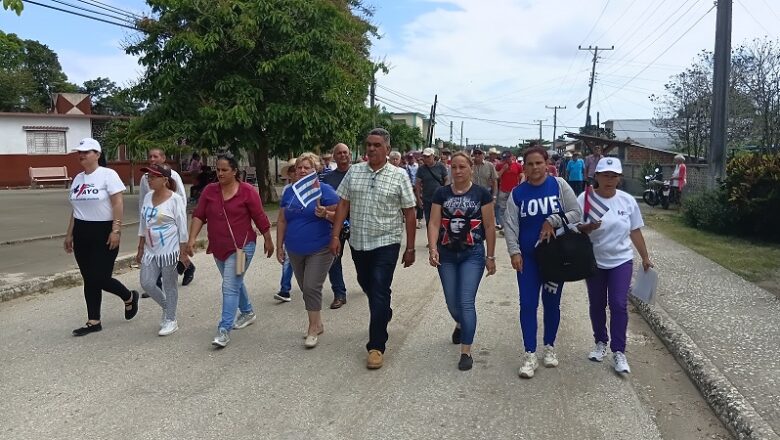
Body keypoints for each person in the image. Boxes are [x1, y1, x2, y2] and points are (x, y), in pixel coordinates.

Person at [329, 127, 417, 370]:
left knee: (379, 288)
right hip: (359, 242)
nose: (371, 148)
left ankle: (376, 346)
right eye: (369, 144)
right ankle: (383, 312)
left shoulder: (399, 176)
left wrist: (410, 248)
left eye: (377, 145)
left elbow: (410, 213)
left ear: (387, 149)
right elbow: (343, 204)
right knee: (366, 283)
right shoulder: (354, 172)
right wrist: (335, 235)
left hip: (387, 242)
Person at [504, 146, 581, 379]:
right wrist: (514, 252)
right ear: (524, 167)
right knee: (527, 304)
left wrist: (552, 220)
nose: (535, 167)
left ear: (547, 164)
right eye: (530, 164)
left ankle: (549, 346)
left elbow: (576, 212)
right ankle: (530, 353)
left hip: (553, 258)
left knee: (551, 303)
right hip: (528, 259)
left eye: (539, 163)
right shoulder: (517, 193)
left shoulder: (559, 185)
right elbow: (510, 225)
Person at [187, 153, 274, 348]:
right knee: (235, 282)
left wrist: (268, 240)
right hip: (219, 248)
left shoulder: (247, 191)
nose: (220, 173)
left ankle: (224, 330)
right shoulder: (210, 191)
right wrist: (191, 239)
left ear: (235, 171)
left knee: (229, 286)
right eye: (218, 170)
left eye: (224, 170)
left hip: (242, 249)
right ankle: (247, 312)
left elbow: (260, 217)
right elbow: (199, 215)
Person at [576, 157, 653, 374]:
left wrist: (645, 257)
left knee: (618, 304)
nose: (609, 180)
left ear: (620, 178)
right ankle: (600, 342)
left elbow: (635, 230)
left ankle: (619, 351)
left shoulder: (627, 201)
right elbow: (573, 226)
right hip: (594, 260)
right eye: (605, 175)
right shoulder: (585, 198)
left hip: (621, 260)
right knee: (597, 304)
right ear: (597, 177)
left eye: (614, 176)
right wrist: (587, 227)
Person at [427, 152, 497, 371]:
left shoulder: (481, 193)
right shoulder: (441, 193)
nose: (457, 171)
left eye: (462, 167)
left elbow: (489, 226)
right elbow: (434, 223)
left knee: (466, 301)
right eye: (454, 167)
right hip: (446, 254)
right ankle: (460, 323)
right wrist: (432, 248)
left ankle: (466, 351)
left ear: (470, 169)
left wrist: (490, 256)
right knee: (452, 302)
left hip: (472, 254)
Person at [64, 138, 139, 336]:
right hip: (82, 231)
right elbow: (76, 209)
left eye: (87, 152)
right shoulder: (78, 178)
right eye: (80, 152)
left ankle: (128, 296)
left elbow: (117, 204)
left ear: (97, 154)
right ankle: (93, 321)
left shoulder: (108, 175)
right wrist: (69, 234)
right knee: (89, 278)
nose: (82, 155)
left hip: (104, 231)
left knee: (100, 277)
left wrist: (116, 230)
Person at [277, 152, 340, 348]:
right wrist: (279, 246)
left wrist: (326, 213)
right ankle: (318, 323)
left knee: (312, 286)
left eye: (307, 167)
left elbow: (341, 215)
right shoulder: (289, 192)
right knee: (306, 288)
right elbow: (282, 220)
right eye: (299, 167)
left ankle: (312, 328)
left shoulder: (324, 190)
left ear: (316, 170)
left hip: (320, 248)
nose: (302, 170)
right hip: (295, 249)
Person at [136, 163, 189, 336]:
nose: (149, 180)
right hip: (150, 250)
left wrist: (183, 252)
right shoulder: (147, 197)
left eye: (153, 177)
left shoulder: (175, 199)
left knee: (169, 285)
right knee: (147, 283)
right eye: (148, 177)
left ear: (165, 179)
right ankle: (167, 307)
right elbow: (143, 223)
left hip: (169, 250)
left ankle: (171, 319)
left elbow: (182, 227)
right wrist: (140, 247)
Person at [139, 148, 196, 291]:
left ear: (163, 158)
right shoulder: (144, 177)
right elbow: (143, 199)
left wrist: (179, 221)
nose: (152, 159)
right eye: (150, 156)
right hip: (152, 220)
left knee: (169, 252)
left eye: (155, 156)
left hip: (168, 221)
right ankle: (185, 268)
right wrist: (144, 218)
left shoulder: (172, 175)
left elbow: (181, 197)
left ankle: (159, 281)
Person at [321, 143, 352, 309]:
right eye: (339, 153)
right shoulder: (327, 179)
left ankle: (368, 284)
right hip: (335, 222)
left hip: (357, 222)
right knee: (333, 258)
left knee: (362, 258)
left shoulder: (358, 174)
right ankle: (339, 294)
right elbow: (323, 201)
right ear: (334, 156)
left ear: (350, 154)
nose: (342, 155)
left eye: (345, 152)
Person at [274, 159, 297, 302]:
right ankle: (285, 289)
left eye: (296, 170)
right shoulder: (287, 190)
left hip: (305, 231)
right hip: (290, 229)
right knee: (288, 260)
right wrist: (279, 244)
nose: (295, 173)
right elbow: (282, 214)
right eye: (291, 171)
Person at [416, 147, 449, 227]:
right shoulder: (421, 169)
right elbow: (418, 184)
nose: (426, 159)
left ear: (433, 156)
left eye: (428, 157)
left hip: (440, 199)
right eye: (424, 157)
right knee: (429, 222)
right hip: (427, 199)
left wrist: (445, 193)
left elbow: (447, 180)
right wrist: (418, 199)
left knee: (440, 221)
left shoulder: (440, 166)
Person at [496, 151, 523, 232]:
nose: (507, 159)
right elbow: (497, 176)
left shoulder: (518, 165)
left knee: (514, 209)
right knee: (502, 209)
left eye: (508, 157)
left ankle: (513, 225)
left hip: (514, 191)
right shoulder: (500, 165)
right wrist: (503, 169)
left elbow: (521, 175)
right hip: (503, 190)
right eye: (505, 158)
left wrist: (520, 184)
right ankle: (504, 227)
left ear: (512, 157)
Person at [404, 152, 423, 229]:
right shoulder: (406, 167)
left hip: (417, 186)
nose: (411, 160)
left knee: (419, 203)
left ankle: (419, 221)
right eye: (409, 158)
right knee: (409, 203)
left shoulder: (418, 166)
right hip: (409, 186)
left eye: (412, 158)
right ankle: (408, 218)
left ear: (414, 158)